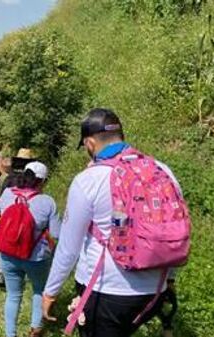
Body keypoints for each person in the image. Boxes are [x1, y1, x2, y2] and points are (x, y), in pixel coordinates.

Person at [42, 108, 186, 337]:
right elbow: (169, 227)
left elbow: (69, 247)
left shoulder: (88, 180)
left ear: (89, 143)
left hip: (105, 290)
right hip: (154, 289)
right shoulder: (161, 170)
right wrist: (169, 280)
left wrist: (50, 291)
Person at [0, 161, 60, 337]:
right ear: (42, 181)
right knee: (39, 290)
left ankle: (10, 334)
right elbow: (56, 233)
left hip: (7, 254)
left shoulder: (8, 193)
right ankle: (35, 330)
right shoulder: (47, 202)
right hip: (36, 257)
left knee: (13, 295)